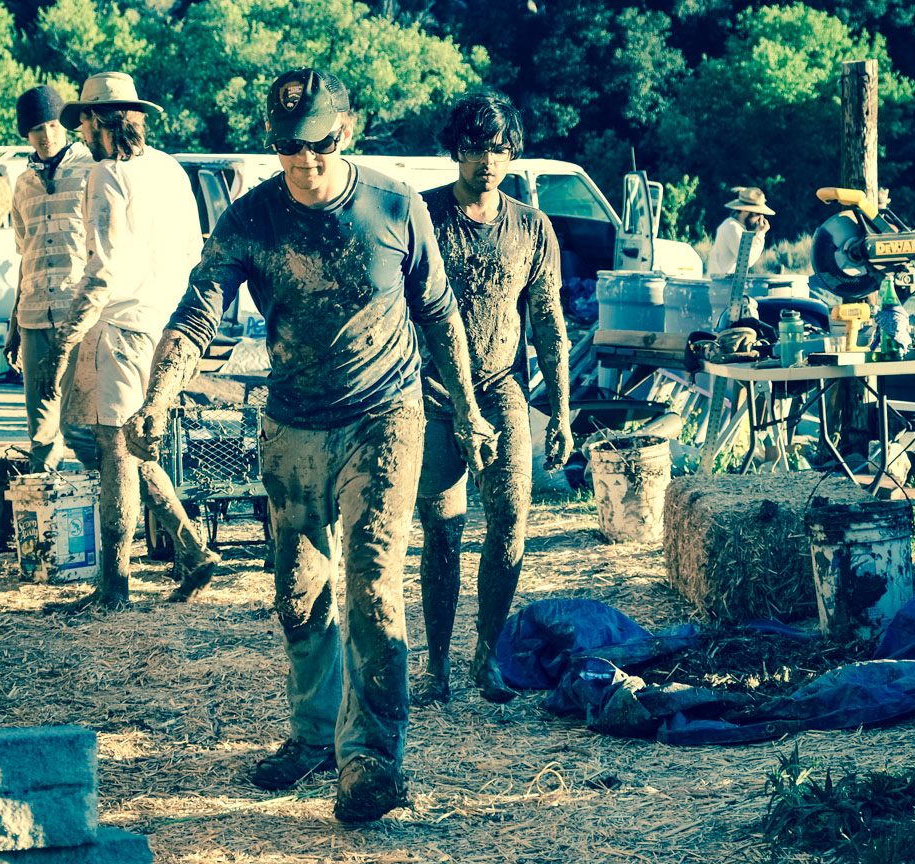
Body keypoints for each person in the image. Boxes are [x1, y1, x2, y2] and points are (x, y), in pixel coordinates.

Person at [124, 67, 498, 824]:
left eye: (320, 144)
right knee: (299, 591)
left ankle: (371, 760)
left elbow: (440, 314)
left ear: (346, 132)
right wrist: (158, 395)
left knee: (372, 585)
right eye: (289, 147)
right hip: (293, 421)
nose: (305, 160)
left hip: (384, 416)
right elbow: (198, 312)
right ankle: (313, 736)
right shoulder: (251, 218)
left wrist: (467, 410)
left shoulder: (394, 205)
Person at [34, 71, 217, 609]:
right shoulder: (170, 169)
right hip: (168, 325)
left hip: (119, 326)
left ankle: (114, 587)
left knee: (115, 450)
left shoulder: (105, 173)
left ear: (97, 120)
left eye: (83, 123)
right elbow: (194, 252)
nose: (81, 134)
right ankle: (194, 550)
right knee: (136, 445)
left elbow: (101, 271)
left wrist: (62, 346)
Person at [413, 92, 573, 707]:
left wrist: (560, 413)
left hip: (501, 385)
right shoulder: (423, 216)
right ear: (456, 150)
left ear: (513, 153)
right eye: (477, 148)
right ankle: (437, 665)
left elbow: (549, 323)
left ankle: (486, 656)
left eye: (500, 149)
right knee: (442, 531)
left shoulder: (532, 227)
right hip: (431, 392)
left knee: (509, 525)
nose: (488, 161)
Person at [6, 85, 97, 472]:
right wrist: (13, 323)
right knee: (41, 432)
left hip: (78, 317)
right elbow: (24, 256)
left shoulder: (91, 172)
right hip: (32, 318)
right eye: (36, 129)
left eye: (52, 125)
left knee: (80, 426)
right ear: (26, 134)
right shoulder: (22, 184)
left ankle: (110, 495)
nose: (45, 135)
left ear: (65, 126)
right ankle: (43, 504)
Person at [705, 187, 774, 276]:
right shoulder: (732, 228)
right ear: (745, 211)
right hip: (721, 283)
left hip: (724, 282)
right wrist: (761, 233)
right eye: (758, 214)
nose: (761, 218)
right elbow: (747, 260)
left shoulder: (736, 227)